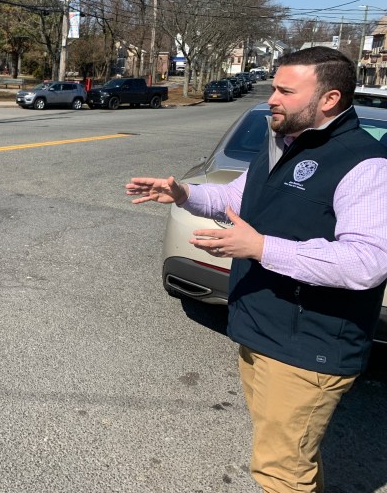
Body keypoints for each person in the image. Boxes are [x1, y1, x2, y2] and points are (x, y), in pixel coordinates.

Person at [125, 46, 387, 492]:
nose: (271, 98)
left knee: (280, 473)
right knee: (292, 461)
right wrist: (184, 193)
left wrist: (261, 247)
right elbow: (236, 199)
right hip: (261, 330)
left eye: (286, 91)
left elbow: (368, 262)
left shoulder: (365, 165)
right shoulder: (284, 143)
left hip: (308, 347)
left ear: (329, 99)